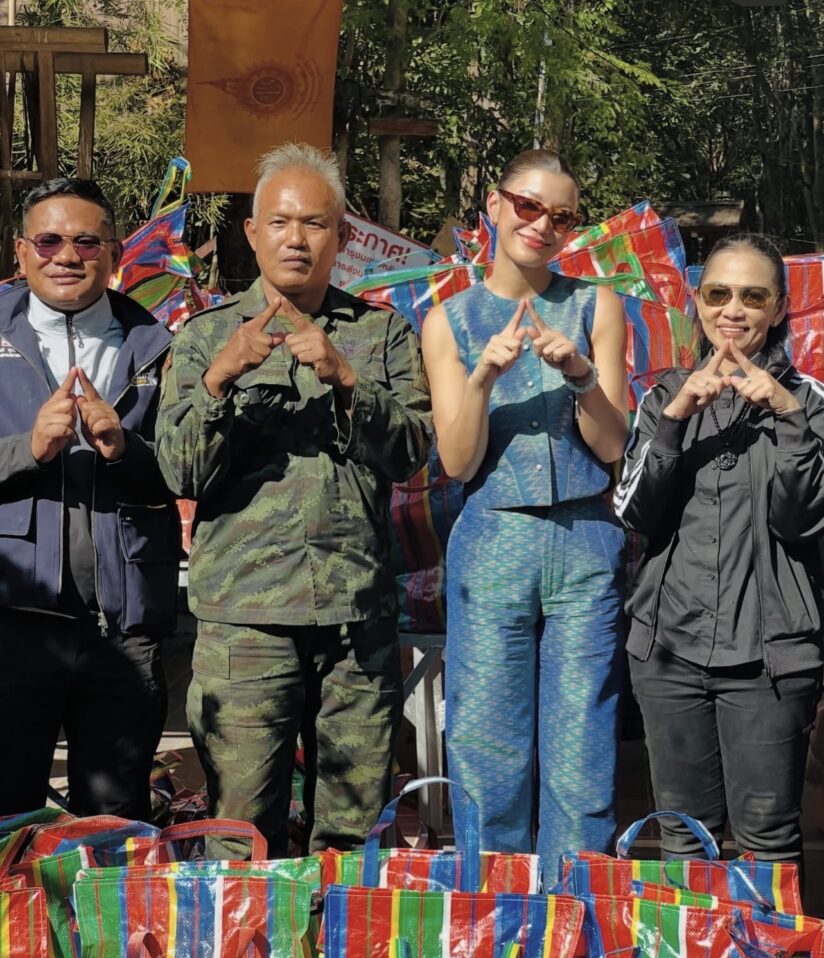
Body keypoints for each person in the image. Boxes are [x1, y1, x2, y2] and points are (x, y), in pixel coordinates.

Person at [156, 143, 431, 857]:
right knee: (241, 834)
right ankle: (244, 939)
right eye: (279, 222)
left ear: (340, 235)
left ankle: (341, 935)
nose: (297, 239)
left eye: (315, 223)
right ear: (252, 232)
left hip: (355, 620)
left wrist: (347, 379)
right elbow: (178, 471)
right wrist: (220, 380)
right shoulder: (205, 338)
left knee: (353, 834)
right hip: (245, 622)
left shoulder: (381, 334)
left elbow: (412, 452)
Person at [422, 149, 628, 880]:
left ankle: (577, 920)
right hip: (494, 537)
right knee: (488, 751)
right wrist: (483, 376)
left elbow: (613, 446)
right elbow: (457, 463)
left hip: (585, 537)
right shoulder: (449, 321)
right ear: (495, 203)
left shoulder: (596, 306)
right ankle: (496, 926)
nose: (542, 225)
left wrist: (580, 374)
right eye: (528, 206)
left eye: (561, 217)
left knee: (583, 752)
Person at [615, 233, 824, 872]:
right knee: (683, 841)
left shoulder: (810, 402)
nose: (733, 310)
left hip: (771, 657)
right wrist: (676, 420)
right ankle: (693, 948)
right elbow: (633, 512)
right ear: (698, 302)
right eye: (718, 294)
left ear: (779, 308)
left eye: (752, 296)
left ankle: (767, 947)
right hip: (669, 651)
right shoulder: (662, 397)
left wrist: (787, 417)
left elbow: (805, 523)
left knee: (767, 843)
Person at [0, 177, 178, 819]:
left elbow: (191, 470)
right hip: (11, 620)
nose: (67, 256)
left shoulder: (158, 345)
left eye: (86, 241)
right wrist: (27, 449)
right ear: (21, 251)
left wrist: (125, 449)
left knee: (114, 822)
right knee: (6, 817)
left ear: (116, 252)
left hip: (124, 626)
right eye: (48, 241)